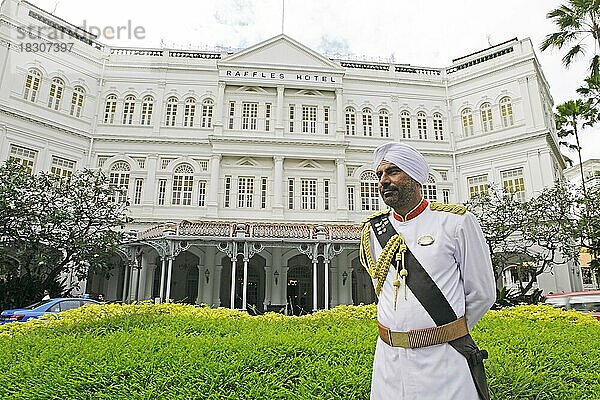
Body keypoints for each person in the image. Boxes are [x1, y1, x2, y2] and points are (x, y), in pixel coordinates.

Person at [359, 142, 496, 400]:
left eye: (393, 172)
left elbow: (483, 293)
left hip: (444, 360)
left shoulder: (455, 221)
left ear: (415, 176)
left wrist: (444, 332)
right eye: (380, 175)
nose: (384, 181)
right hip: (389, 361)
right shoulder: (373, 231)